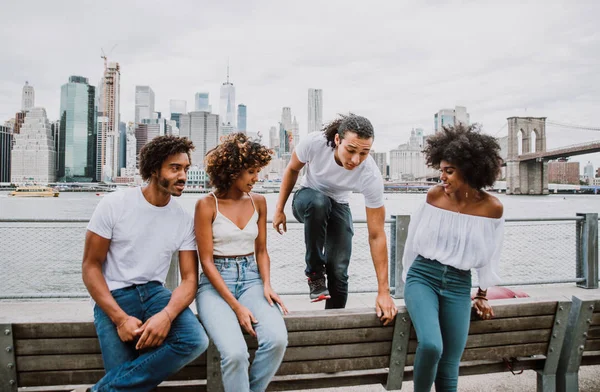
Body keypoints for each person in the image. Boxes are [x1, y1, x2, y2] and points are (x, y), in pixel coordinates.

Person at [81, 136, 209, 391]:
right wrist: (119, 319)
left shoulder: (184, 220)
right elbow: (90, 267)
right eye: (175, 168)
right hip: (115, 296)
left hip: (155, 294)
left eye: (185, 168)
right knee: (125, 378)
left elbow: (190, 280)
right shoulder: (114, 204)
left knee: (194, 340)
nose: (183, 175)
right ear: (153, 169)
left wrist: (166, 316)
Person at [402, 124, 504, 392]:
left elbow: (491, 255)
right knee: (432, 344)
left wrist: (481, 294)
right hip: (423, 277)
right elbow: (412, 244)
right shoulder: (434, 196)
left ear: (469, 171)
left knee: (450, 362)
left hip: (459, 285)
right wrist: (406, 282)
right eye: (441, 170)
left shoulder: (492, 208)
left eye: (449, 171)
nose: (442, 177)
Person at [273, 113, 397, 323]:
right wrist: (279, 209)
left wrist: (384, 291)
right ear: (338, 140)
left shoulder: (370, 175)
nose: (356, 160)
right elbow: (292, 169)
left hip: (339, 204)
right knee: (319, 202)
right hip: (307, 199)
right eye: (351, 150)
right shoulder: (315, 143)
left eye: (364, 153)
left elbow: (377, 235)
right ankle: (314, 272)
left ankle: (333, 322)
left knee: (339, 270)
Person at [195, 133, 288, 392]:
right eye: (250, 172)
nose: (256, 178)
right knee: (235, 354)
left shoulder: (259, 201)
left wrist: (267, 284)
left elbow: (261, 251)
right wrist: (236, 307)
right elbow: (206, 262)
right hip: (215, 286)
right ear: (231, 170)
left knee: (277, 340)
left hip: (252, 280)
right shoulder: (206, 205)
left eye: (257, 171)